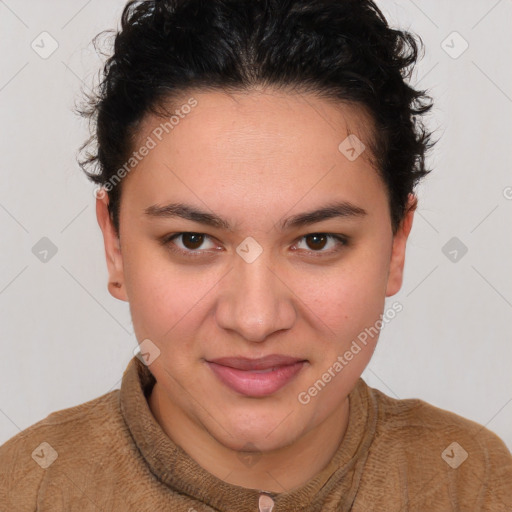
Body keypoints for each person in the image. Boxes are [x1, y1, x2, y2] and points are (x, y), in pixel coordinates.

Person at [1, 0, 511, 510]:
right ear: (114, 247)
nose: (255, 320)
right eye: (192, 240)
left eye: (317, 241)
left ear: (397, 243)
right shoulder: (22, 492)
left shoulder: (478, 482)